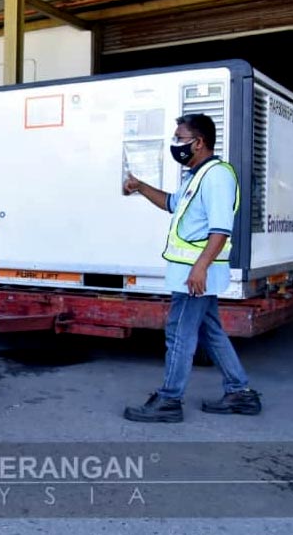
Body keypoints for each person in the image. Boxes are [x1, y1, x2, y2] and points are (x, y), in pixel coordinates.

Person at [122, 113, 261, 423]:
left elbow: (221, 229)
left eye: (180, 139)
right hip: (193, 274)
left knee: (179, 333)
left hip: (195, 276)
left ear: (199, 142)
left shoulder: (217, 176)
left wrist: (199, 268)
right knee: (211, 331)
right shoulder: (196, 176)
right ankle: (240, 392)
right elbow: (172, 203)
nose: (175, 145)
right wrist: (141, 187)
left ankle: (169, 400)